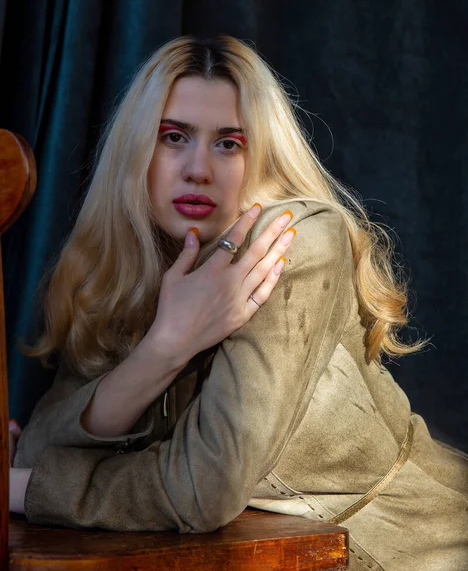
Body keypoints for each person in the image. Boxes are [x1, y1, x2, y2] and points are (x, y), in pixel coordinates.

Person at [9, 35, 468, 571]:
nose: (198, 168)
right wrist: (165, 346)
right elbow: (36, 449)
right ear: (136, 150)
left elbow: (202, 490)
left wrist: (24, 489)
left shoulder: (295, 245)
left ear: (263, 156)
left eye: (229, 143)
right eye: (174, 136)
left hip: (400, 552)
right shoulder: (129, 272)